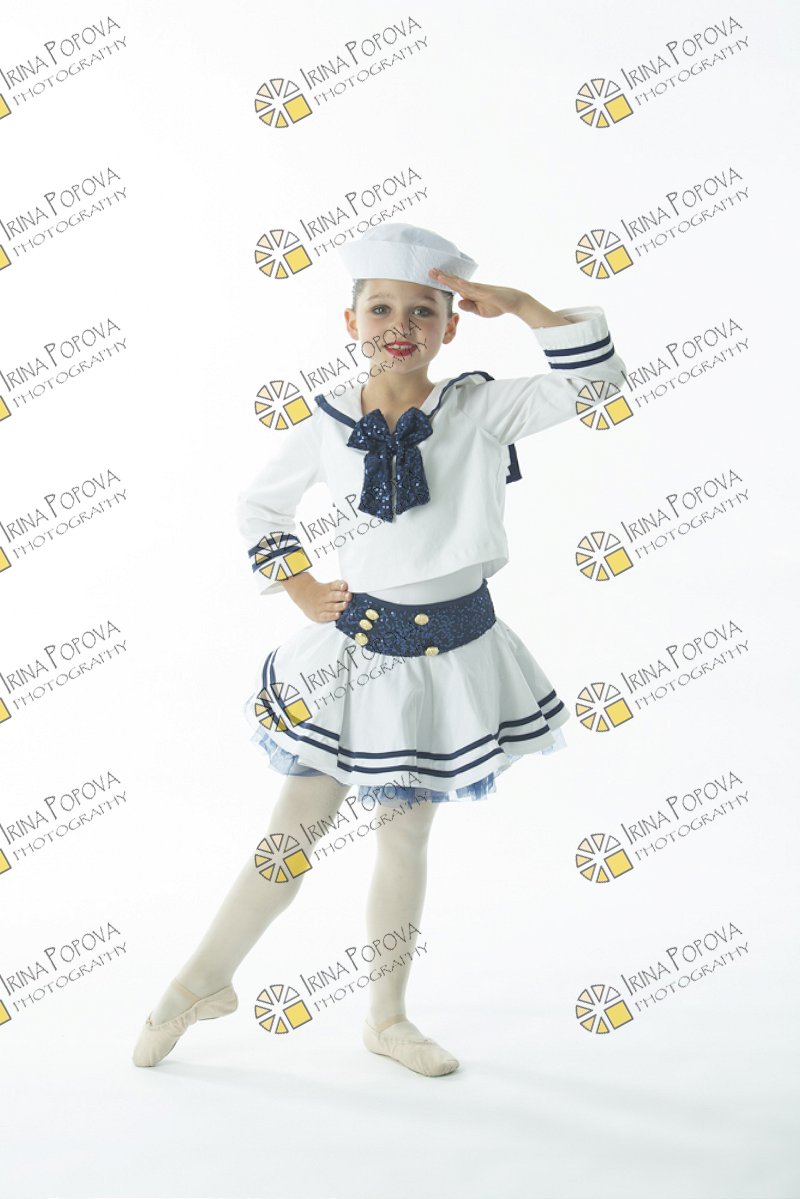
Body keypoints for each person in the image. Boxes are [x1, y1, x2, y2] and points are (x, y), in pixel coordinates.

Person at [132, 223, 628, 1077]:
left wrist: (524, 305)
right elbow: (259, 506)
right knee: (291, 836)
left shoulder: (481, 408)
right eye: (382, 309)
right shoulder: (326, 420)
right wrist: (297, 584)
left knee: (404, 840)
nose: (401, 326)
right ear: (351, 320)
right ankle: (197, 982)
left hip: (453, 661)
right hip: (354, 662)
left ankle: (387, 1017)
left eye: (423, 311)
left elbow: (600, 386)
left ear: (452, 325)